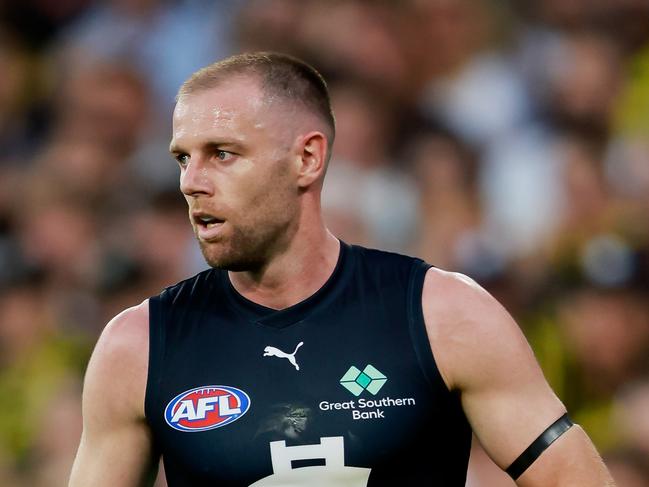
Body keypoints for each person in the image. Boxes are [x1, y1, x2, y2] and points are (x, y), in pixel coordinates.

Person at [68, 52, 615, 486]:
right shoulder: (137, 347)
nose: (192, 181)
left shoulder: (442, 315)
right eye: (183, 157)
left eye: (223, 153)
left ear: (307, 158)